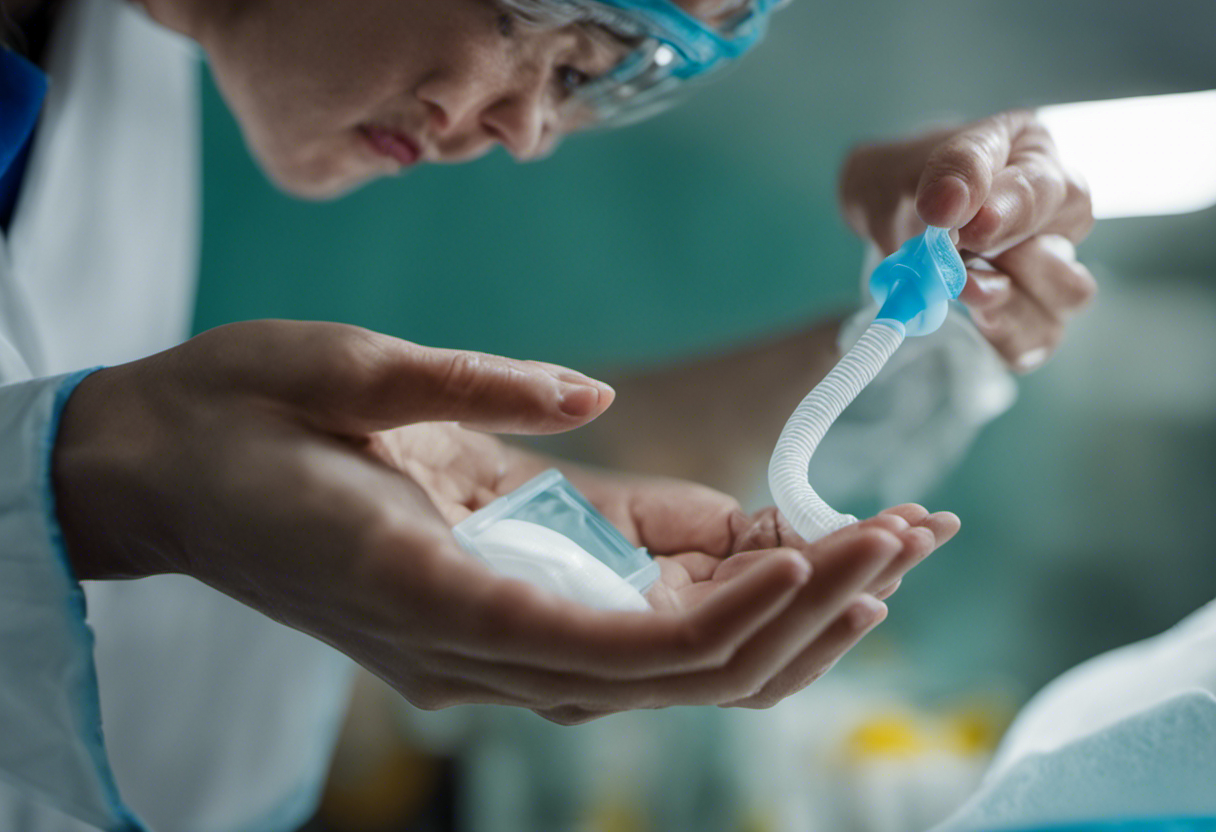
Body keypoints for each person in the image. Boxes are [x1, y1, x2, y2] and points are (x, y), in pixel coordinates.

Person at [0, 0, 1093, 829]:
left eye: (584, 74)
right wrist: (108, 476)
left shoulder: (105, 53)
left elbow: (515, 477)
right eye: (536, 17)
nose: (526, 128)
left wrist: (922, 322)